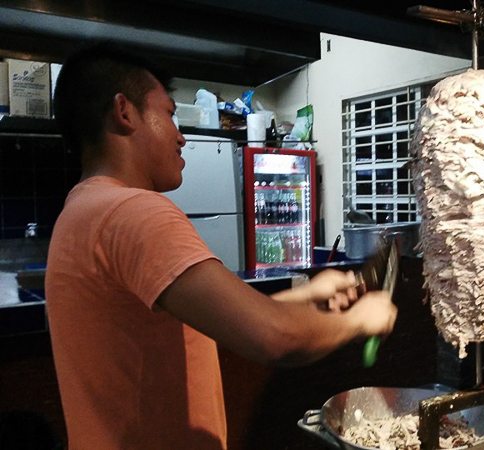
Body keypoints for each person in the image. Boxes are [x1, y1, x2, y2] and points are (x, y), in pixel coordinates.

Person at [45, 43, 397, 449]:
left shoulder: (81, 211)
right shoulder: (134, 211)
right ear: (124, 112)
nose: (180, 136)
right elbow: (271, 338)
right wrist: (360, 320)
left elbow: (194, 326)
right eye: (169, 114)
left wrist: (305, 298)